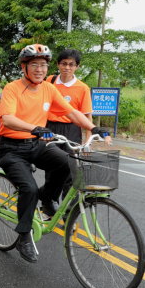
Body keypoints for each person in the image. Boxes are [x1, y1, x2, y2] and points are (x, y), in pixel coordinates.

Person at [0, 44, 110, 263]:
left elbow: (71, 112)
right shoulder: (12, 88)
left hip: (36, 144)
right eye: (34, 65)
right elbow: (8, 119)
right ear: (24, 67)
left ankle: (47, 198)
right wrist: (34, 128)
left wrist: (94, 128)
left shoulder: (49, 88)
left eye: (43, 65)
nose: (39, 69)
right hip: (12, 147)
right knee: (28, 188)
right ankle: (23, 236)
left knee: (67, 163)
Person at [44, 49, 93, 195]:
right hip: (51, 129)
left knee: (71, 172)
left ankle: (68, 212)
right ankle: (48, 207)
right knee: (52, 169)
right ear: (58, 64)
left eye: (71, 64)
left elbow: (86, 117)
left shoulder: (83, 88)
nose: (67, 68)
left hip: (72, 130)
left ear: (77, 67)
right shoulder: (49, 81)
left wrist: (87, 143)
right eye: (64, 63)